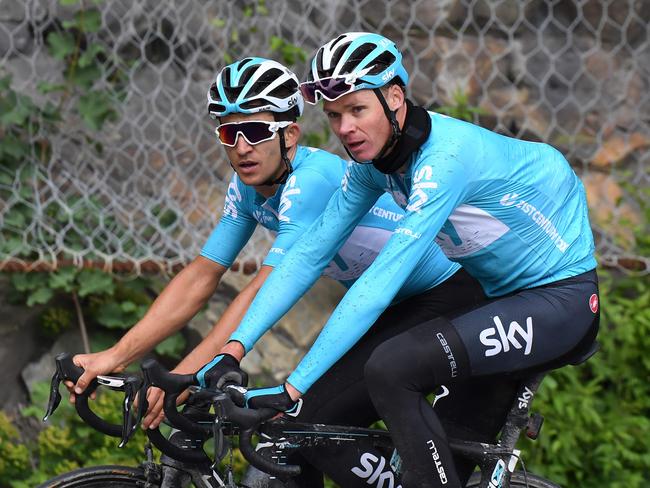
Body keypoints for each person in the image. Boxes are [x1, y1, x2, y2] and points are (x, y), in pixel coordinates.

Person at [201, 33, 600, 488]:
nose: (345, 127)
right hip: (492, 298)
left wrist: (292, 387)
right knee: (315, 422)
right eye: (334, 115)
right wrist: (234, 348)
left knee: (391, 369)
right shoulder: (372, 167)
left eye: (357, 110)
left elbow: (379, 283)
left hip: (560, 299)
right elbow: (309, 254)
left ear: (394, 98)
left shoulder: (445, 160)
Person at [66, 56, 480, 447]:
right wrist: (115, 356)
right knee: (303, 431)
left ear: (290, 134)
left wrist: (185, 374)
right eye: (230, 133)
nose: (243, 147)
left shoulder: (311, 182)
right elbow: (202, 275)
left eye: (258, 132)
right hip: (387, 304)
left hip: (445, 296)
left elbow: (263, 288)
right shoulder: (247, 188)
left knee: (307, 426)